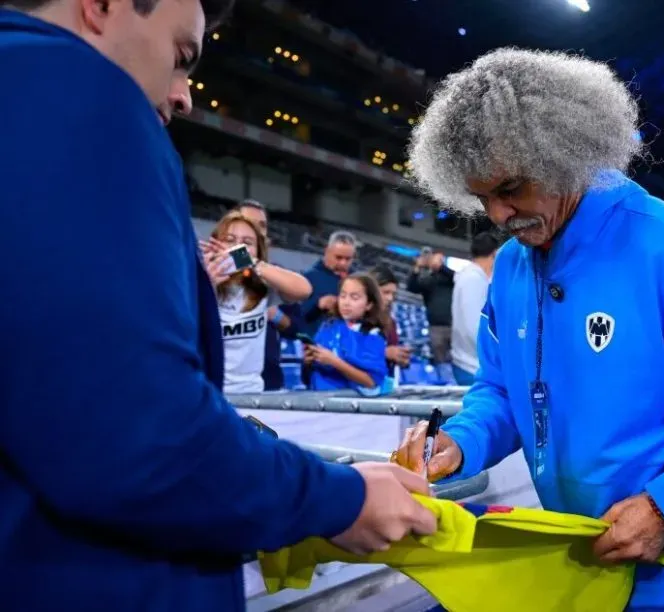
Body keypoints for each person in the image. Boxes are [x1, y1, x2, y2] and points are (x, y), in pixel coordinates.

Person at [0, 2, 436, 609]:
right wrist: (338, 497)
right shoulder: (77, 92)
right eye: (182, 58)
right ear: (100, 5)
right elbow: (136, 433)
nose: (184, 97)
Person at [393, 48, 664, 610]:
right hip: (585, 573)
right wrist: (460, 444)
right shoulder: (514, 269)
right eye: (482, 198)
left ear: (566, 153)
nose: (498, 215)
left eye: (512, 188)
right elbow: (500, 390)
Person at [202, 210, 312, 393]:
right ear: (215, 244)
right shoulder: (195, 280)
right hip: (207, 394)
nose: (237, 248)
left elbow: (304, 290)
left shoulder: (261, 286)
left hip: (251, 395)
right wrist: (206, 288)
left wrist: (249, 261)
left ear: (257, 252)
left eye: (247, 244)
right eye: (229, 240)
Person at [231, 199, 286, 391]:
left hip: (268, 379)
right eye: (249, 223)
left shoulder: (280, 277)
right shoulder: (214, 274)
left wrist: (276, 316)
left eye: (261, 225)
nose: (256, 230)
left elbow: (298, 326)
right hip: (225, 385)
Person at [305, 274, 389, 396]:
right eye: (343, 296)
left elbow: (371, 382)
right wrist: (309, 361)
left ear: (369, 304)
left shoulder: (373, 335)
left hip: (350, 405)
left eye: (354, 298)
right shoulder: (328, 326)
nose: (346, 303)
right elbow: (309, 373)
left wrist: (334, 362)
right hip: (319, 399)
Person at [279, 230, 358, 338]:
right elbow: (297, 318)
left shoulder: (358, 280)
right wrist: (318, 305)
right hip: (316, 344)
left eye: (348, 259)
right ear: (327, 251)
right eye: (338, 258)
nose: (343, 263)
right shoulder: (309, 277)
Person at [451, 232, 500, 385]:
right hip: (471, 365)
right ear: (494, 254)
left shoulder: (472, 277)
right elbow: (474, 328)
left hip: (470, 361)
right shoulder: (473, 280)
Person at [407, 249, 455, 363]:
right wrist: (417, 267)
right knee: (440, 360)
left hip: (454, 325)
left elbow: (456, 277)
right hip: (436, 327)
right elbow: (412, 287)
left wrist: (440, 267)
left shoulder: (450, 278)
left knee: (458, 360)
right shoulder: (429, 280)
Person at [372, 265, 413, 371]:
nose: (390, 298)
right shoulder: (356, 319)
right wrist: (384, 353)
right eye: (385, 292)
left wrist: (400, 358)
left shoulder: (391, 322)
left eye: (393, 294)